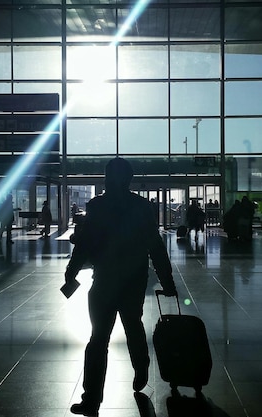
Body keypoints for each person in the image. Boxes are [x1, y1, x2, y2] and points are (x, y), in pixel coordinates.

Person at [63, 157, 177, 417]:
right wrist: (167, 279)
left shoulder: (98, 206)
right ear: (130, 179)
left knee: (98, 339)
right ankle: (140, 365)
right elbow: (155, 246)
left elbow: (85, 244)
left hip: (104, 279)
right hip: (133, 279)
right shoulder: (141, 207)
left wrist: (71, 271)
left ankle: (91, 399)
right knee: (132, 326)